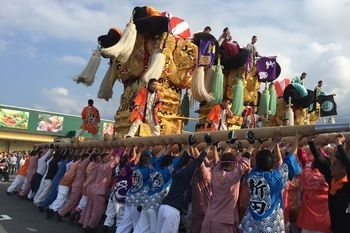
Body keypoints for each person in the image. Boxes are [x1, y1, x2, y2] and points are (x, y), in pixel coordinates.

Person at [239, 132, 302, 233]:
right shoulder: (274, 178)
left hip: (252, 224)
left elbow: (262, 159)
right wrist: (296, 139)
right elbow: (290, 160)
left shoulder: (253, 175)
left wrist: (274, 142)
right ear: (273, 164)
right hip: (271, 225)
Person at [155, 134, 212, 233]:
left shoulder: (177, 170)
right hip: (172, 211)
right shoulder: (187, 173)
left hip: (163, 207)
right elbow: (199, 161)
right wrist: (209, 145)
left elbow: (182, 160)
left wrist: (190, 145)